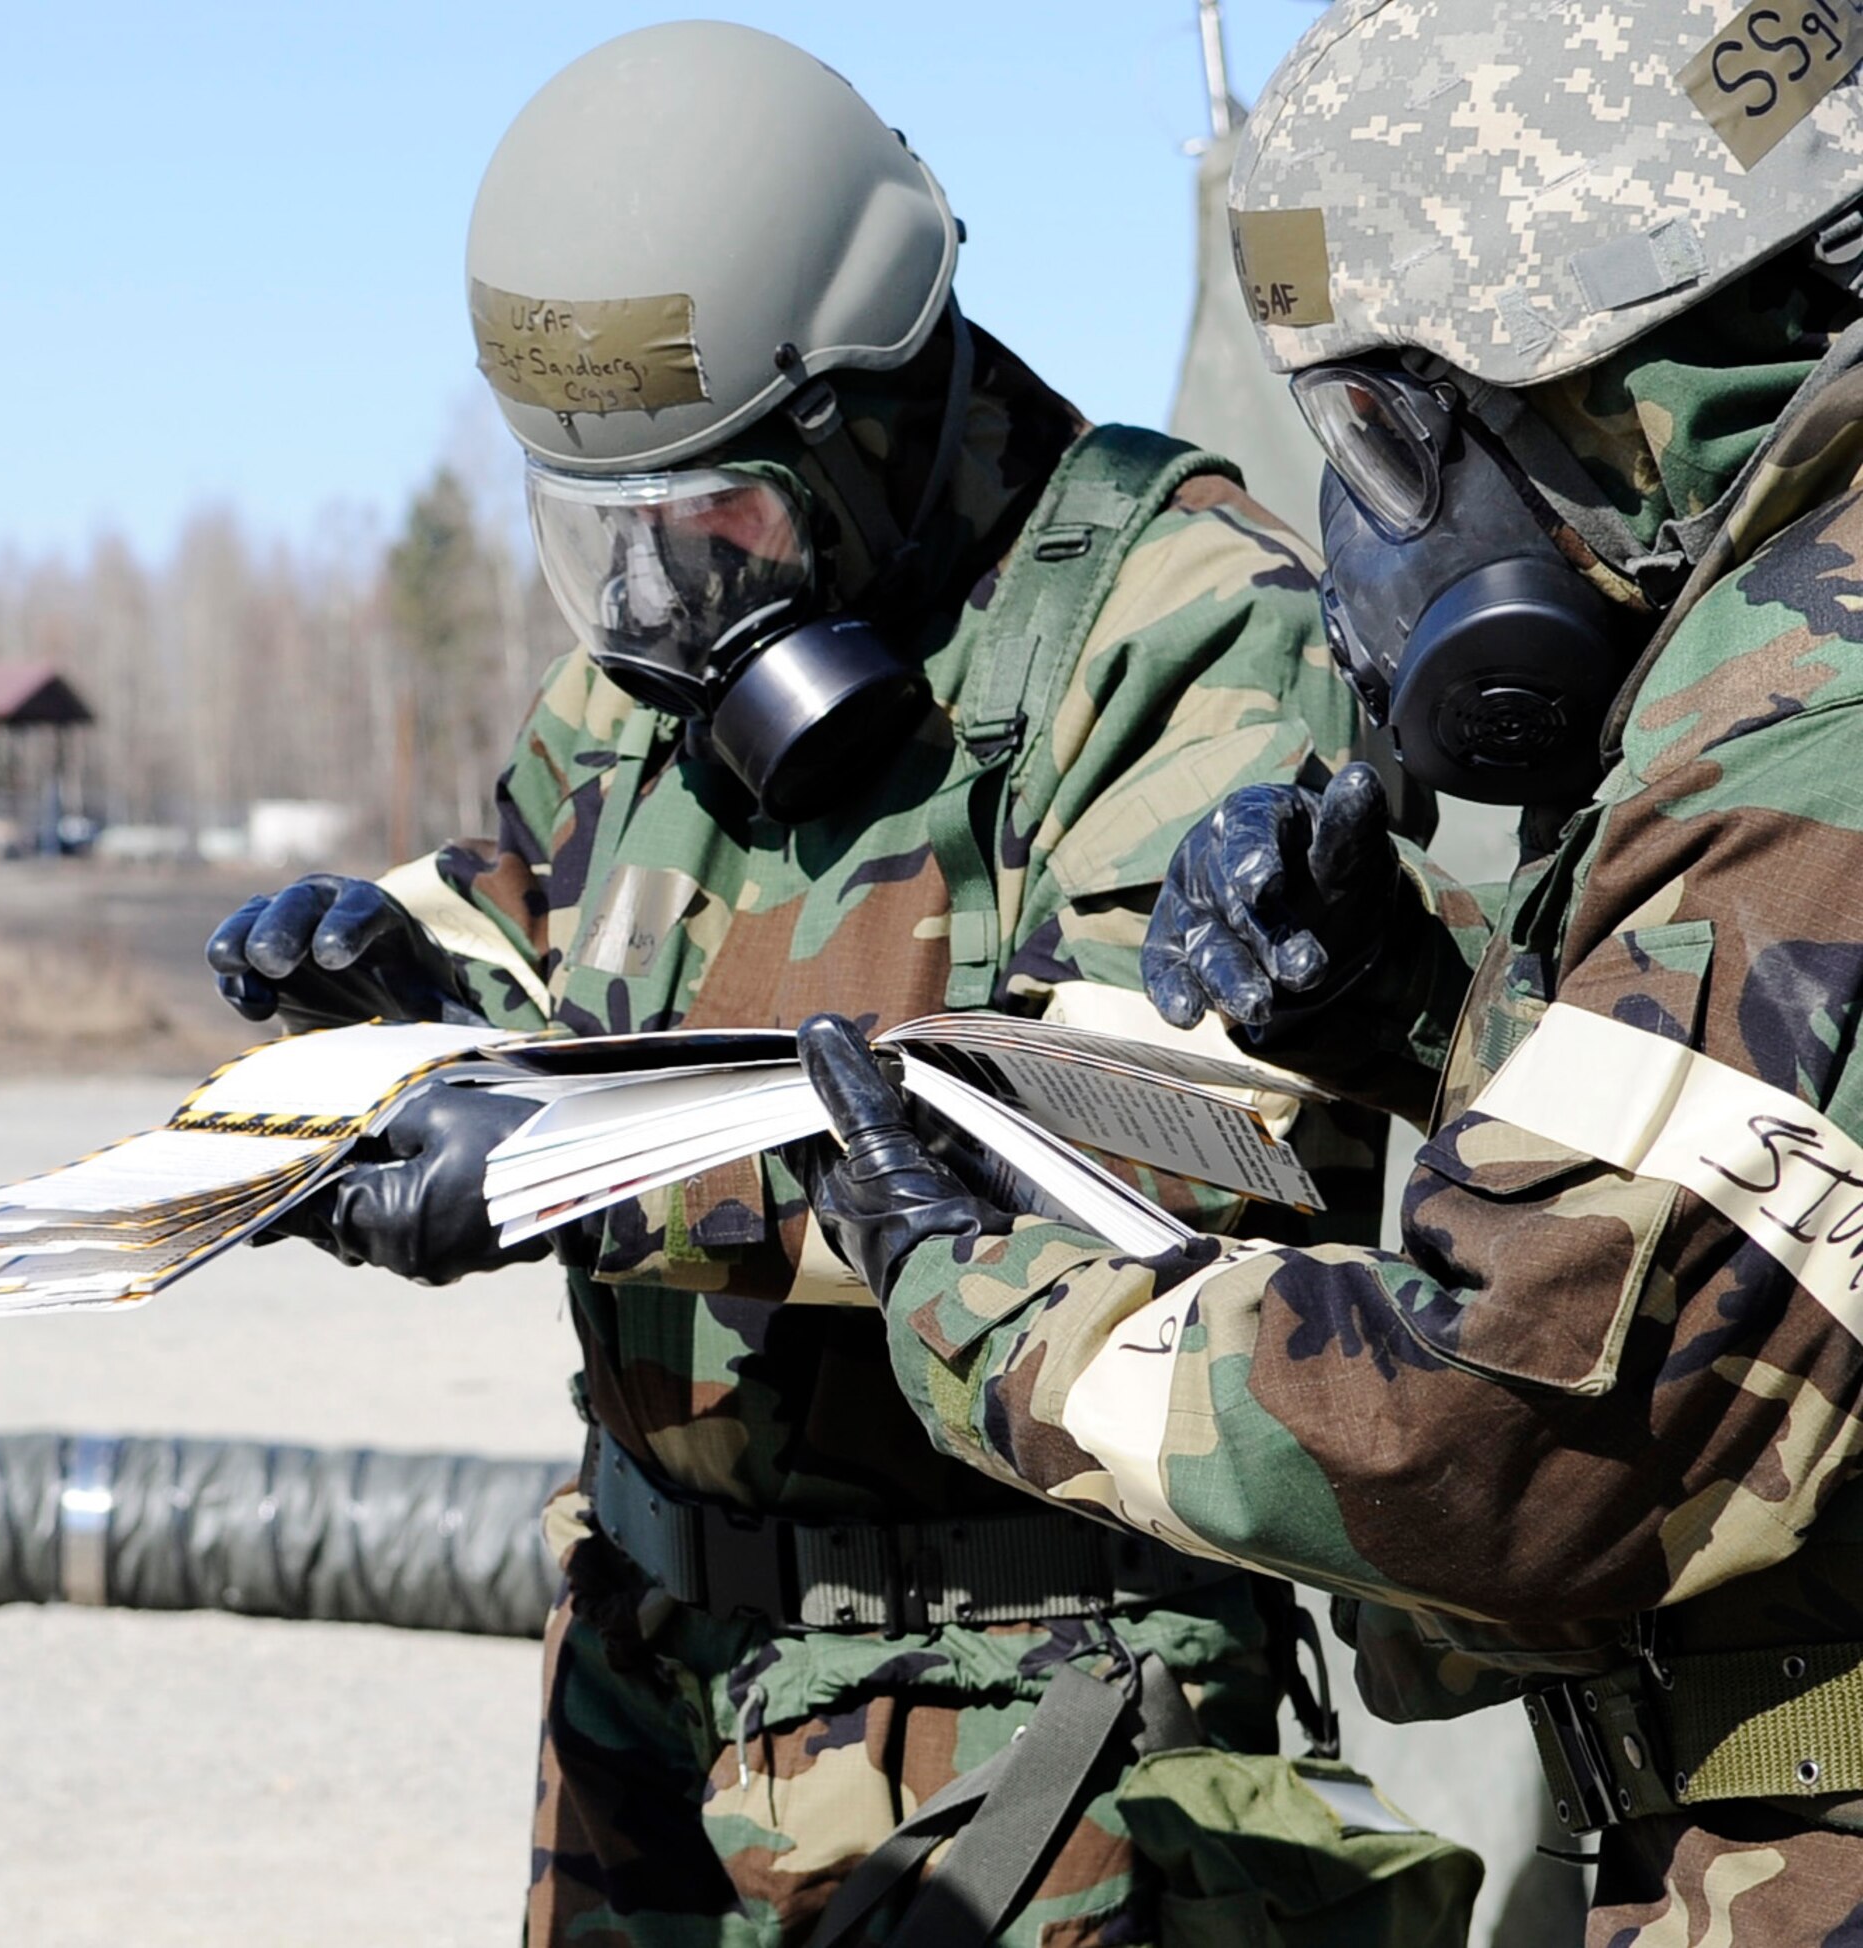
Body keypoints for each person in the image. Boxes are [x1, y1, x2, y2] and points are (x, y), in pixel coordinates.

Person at [203, 22, 1442, 1944]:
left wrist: (571, 1167)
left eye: (717, 523)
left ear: (870, 414)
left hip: (1032, 1706)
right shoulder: (674, 626)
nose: (660, 600)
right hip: (653, 1670)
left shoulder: (1183, 621)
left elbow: (1169, 1149)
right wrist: (400, 978)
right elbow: (540, 904)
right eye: (609, 540)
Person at [797, 2, 1863, 1941]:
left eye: (1387, 430)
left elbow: (1502, 1439)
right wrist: (1414, 1002)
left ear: (1585, 360)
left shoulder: (1811, 716)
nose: (1369, 533)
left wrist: (978, 1294)